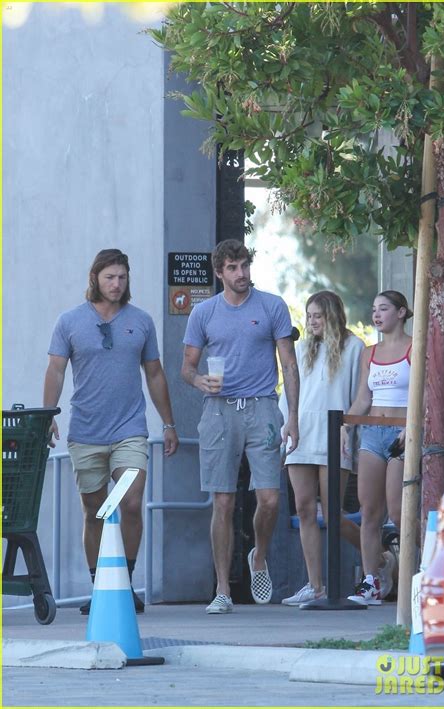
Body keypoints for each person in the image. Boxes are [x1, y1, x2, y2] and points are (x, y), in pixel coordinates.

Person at [43, 248, 179, 614]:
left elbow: (154, 373)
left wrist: (168, 423)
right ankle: (100, 586)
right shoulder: (70, 321)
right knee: (94, 511)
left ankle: (126, 582)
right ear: (95, 279)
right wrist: (47, 415)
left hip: (129, 429)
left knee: (131, 502)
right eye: (109, 277)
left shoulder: (142, 321)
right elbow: (56, 370)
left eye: (122, 277)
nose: (116, 284)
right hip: (85, 431)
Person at [181, 239, 299, 614]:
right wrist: (200, 381)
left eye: (244, 265)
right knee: (223, 500)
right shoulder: (204, 313)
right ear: (219, 273)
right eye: (232, 267)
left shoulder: (271, 306)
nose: (241, 273)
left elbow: (290, 364)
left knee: (271, 497)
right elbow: (187, 368)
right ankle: (221, 589)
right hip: (217, 410)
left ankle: (259, 556)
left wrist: (292, 414)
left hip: (263, 405)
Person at [279, 291, 364, 607]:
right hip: (301, 432)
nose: (312, 321)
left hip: (334, 432)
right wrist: (288, 424)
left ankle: (379, 560)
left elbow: (359, 394)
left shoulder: (353, 347)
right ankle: (315, 586)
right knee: (303, 508)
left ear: (332, 315)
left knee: (332, 512)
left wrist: (348, 426)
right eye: (309, 315)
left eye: (318, 315)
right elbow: (289, 392)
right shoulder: (301, 349)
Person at [342, 290, 412, 605]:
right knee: (369, 511)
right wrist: (346, 426)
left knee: (398, 511)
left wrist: (412, 429)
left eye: (384, 308)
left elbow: (425, 395)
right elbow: (363, 398)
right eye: (374, 309)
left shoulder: (415, 346)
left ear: (401, 312)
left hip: (402, 433)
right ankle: (371, 581)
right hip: (372, 432)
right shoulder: (368, 353)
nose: (377, 314)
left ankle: (418, 575)